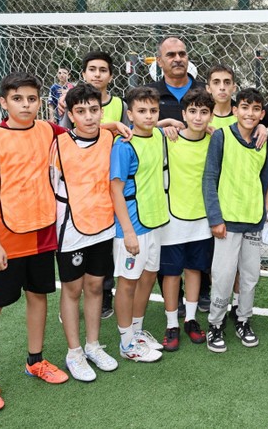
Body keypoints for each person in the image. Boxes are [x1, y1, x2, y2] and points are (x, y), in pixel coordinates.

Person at [0, 72, 69, 413]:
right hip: (5, 237)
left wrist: (112, 128)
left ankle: (35, 360)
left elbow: (82, 135)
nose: (26, 105)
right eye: (18, 99)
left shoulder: (48, 131)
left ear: (40, 101)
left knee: (38, 295)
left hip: (41, 232)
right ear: (4, 102)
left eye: (32, 99)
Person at [52, 83, 119, 381]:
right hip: (71, 230)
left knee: (95, 287)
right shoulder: (58, 144)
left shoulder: (110, 136)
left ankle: (93, 345)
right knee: (72, 289)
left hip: (103, 226)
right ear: (71, 114)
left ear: (101, 111)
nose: (89, 117)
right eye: (81, 111)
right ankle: (74, 352)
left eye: (94, 110)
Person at [59, 51, 131, 320]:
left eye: (103, 69)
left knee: (103, 260)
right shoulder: (68, 116)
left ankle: (104, 297)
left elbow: (127, 135)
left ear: (111, 75)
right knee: (75, 279)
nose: (97, 73)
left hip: (107, 195)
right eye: (92, 69)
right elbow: (65, 136)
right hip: (77, 207)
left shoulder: (120, 106)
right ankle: (74, 310)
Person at [203, 88, 268, 353]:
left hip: (253, 220)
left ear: (262, 114)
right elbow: (209, 178)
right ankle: (215, 323)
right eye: (245, 107)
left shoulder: (264, 141)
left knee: (251, 276)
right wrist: (215, 217)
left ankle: (243, 319)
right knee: (222, 276)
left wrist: (263, 212)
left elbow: (265, 179)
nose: (250, 113)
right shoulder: (221, 136)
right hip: (227, 222)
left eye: (256, 109)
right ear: (235, 110)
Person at [110, 86, 169, 363]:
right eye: (141, 111)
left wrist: (171, 123)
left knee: (148, 278)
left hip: (156, 222)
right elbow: (115, 190)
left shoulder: (158, 134)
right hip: (132, 228)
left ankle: (137, 330)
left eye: (153, 111)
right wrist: (129, 232)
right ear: (130, 114)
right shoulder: (123, 146)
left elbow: (168, 126)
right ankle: (125, 343)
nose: (148, 116)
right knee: (127, 284)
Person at [157, 89, 215, 351]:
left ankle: (191, 319)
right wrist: (163, 124)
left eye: (204, 112)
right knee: (171, 273)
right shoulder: (169, 138)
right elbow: (138, 127)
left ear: (211, 115)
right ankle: (172, 323)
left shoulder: (216, 141)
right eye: (192, 111)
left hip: (202, 219)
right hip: (172, 219)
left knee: (194, 270)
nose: (198, 117)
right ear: (183, 114)